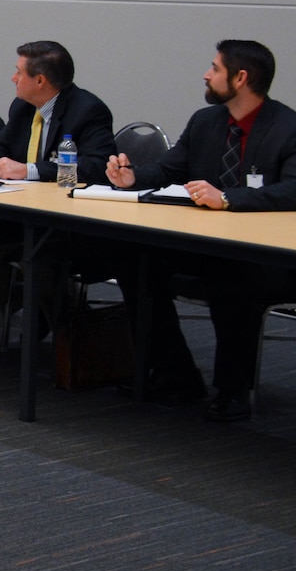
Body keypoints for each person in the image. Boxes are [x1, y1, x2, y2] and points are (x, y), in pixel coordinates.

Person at [104, 40, 296, 423]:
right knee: (132, 259)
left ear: (241, 78)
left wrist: (227, 198)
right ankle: (177, 374)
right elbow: (170, 169)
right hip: (204, 242)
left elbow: (292, 188)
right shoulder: (206, 121)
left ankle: (233, 390)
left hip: (265, 255)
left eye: (215, 68)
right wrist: (132, 178)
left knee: (232, 276)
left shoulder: (287, 127)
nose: (206, 75)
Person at [0, 41, 116, 325]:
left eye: (18, 72)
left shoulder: (88, 110)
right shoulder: (23, 106)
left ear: (39, 80)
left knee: (39, 261)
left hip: (68, 224)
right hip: (23, 217)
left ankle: (70, 338)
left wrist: (30, 170)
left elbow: (96, 167)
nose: (13, 78)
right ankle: (33, 312)